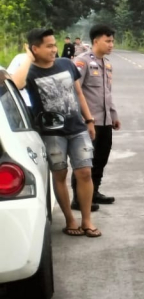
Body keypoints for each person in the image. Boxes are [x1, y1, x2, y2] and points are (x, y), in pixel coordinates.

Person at [11, 28, 100, 237]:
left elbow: (78, 92)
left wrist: (89, 120)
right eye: (49, 46)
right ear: (35, 49)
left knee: (85, 172)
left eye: (54, 44)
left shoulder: (66, 64)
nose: (54, 49)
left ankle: (87, 220)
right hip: (51, 134)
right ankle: (70, 219)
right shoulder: (30, 71)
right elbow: (17, 83)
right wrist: (27, 58)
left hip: (77, 128)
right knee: (59, 175)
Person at [70, 23, 121, 211]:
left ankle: (94, 192)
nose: (111, 45)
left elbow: (108, 92)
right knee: (84, 161)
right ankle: (78, 198)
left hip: (105, 121)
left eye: (112, 41)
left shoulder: (107, 64)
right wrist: (85, 119)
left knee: (101, 158)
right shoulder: (82, 62)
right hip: (88, 122)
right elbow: (75, 92)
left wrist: (114, 115)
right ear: (96, 41)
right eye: (107, 41)